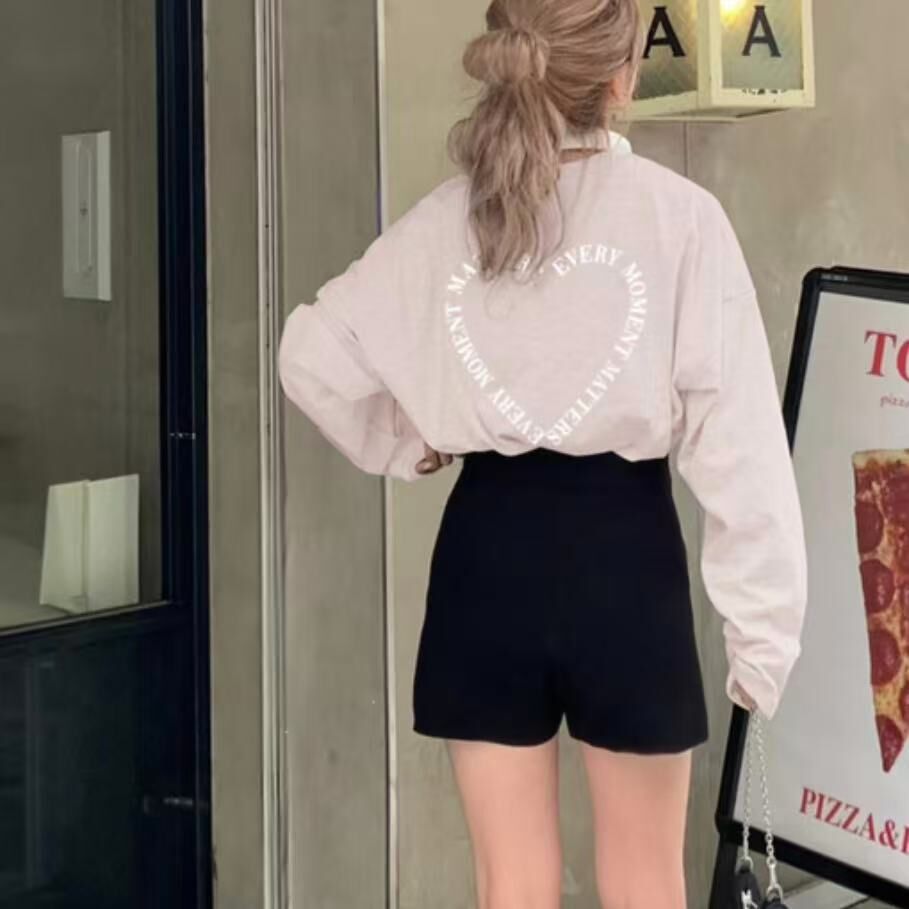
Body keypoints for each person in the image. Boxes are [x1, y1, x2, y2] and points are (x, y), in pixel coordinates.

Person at [278, 0, 808, 905]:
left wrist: (414, 441)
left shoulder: (448, 217)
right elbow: (740, 442)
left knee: (510, 884)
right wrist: (762, 636)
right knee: (645, 881)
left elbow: (310, 356)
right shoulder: (679, 218)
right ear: (621, 79)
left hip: (485, 553)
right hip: (624, 560)